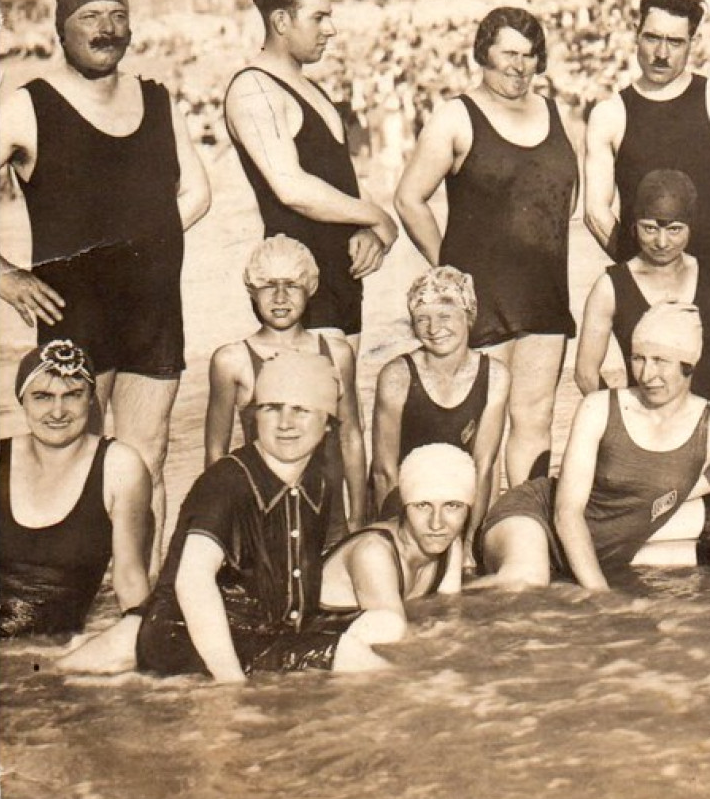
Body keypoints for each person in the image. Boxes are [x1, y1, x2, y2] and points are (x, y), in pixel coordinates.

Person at [0, 0, 212, 561]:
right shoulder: (27, 105)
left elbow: (197, 193)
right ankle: (75, 605)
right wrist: (3, 275)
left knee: (147, 456)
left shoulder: (157, 98)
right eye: (90, 18)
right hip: (74, 314)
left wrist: (142, 245)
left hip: (152, 308)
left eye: (117, 16)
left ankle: (138, 602)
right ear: (60, 31)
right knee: (74, 458)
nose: (106, 29)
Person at [475, 304, 710, 590]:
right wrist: (600, 595)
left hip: (607, 549)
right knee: (524, 583)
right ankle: (434, 611)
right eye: (638, 359)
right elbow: (567, 513)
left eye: (660, 361)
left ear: (688, 364)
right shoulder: (599, 408)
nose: (647, 374)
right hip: (533, 519)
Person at [395, 6, 579, 484]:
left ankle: (527, 528)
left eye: (530, 56)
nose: (519, 66)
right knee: (480, 434)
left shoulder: (556, 112)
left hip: (544, 295)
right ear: (483, 55)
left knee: (536, 425)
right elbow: (410, 198)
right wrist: (449, 274)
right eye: (508, 54)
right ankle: (472, 545)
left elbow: (564, 198)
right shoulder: (457, 116)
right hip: (481, 303)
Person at [135, 352, 392, 681]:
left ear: (328, 423)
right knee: (349, 655)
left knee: (386, 625)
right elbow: (192, 582)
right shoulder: (227, 481)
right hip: (189, 634)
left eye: (301, 409)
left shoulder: (320, 477)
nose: (286, 423)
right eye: (272, 408)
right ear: (255, 417)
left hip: (270, 627)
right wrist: (231, 684)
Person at [225, 0, 396, 346]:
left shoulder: (309, 88)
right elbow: (292, 188)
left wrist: (370, 230)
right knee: (309, 400)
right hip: (294, 283)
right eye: (319, 18)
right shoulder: (255, 88)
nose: (331, 29)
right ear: (281, 21)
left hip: (341, 276)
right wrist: (380, 218)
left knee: (343, 400)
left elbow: (343, 180)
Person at [583, 0, 710, 291]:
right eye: (652, 38)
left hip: (709, 279)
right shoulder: (609, 114)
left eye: (675, 42)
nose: (661, 54)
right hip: (640, 283)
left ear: (694, 42)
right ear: (636, 33)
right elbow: (595, 211)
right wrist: (636, 266)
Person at [204, 236, 366, 536]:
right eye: (268, 285)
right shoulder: (232, 360)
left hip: (330, 524)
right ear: (252, 290)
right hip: (264, 525)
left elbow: (351, 437)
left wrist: (358, 517)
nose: (280, 297)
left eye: (291, 285)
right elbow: (217, 452)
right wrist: (224, 526)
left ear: (311, 288)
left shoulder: (337, 353)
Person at [0, 341, 152, 639]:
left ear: (92, 399)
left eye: (72, 396)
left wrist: (139, 647)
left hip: (48, 651)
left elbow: (130, 578)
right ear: (22, 399)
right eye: (42, 396)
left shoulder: (119, 466)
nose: (58, 411)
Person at [574, 170, 710, 409]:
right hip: (644, 423)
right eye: (650, 229)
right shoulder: (611, 285)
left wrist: (706, 408)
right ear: (634, 226)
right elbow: (585, 372)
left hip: (705, 416)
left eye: (674, 229)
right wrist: (625, 418)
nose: (662, 242)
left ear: (690, 228)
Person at [369, 267, 508, 552]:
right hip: (406, 499)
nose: (434, 329)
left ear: (468, 317)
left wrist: (469, 544)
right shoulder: (397, 375)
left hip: (457, 500)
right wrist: (401, 542)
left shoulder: (495, 375)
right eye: (422, 319)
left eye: (445, 316)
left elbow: (484, 466)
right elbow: (384, 470)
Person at [318, 444, 471, 643]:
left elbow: (450, 620)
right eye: (423, 506)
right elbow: (396, 645)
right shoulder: (372, 552)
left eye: (452, 506)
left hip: (356, 651)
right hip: (300, 649)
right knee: (391, 627)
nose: (437, 523)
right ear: (405, 507)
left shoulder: (450, 543)